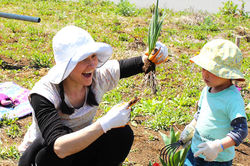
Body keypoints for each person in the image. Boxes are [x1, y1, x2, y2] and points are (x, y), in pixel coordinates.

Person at [18, 25, 168, 166]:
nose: (92, 65)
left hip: (78, 148)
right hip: (42, 157)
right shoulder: (44, 94)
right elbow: (59, 147)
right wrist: (104, 124)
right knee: (53, 153)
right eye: (83, 59)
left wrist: (153, 55)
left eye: (93, 56)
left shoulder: (97, 77)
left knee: (121, 134)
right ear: (66, 65)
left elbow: (136, 64)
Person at [178, 39, 248, 166]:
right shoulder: (206, 90)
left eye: (212, 70)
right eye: (204, 68)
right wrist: (191, 127)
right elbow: (200, 113)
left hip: (216, 159)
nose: (205, 74)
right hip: (195, 151)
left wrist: (218, 146)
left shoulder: (232, 99)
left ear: (227, 73)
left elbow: (241, 130)